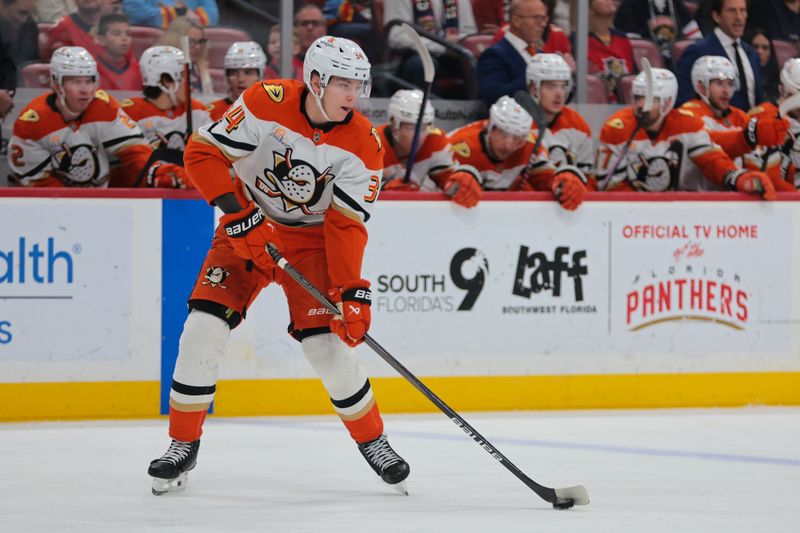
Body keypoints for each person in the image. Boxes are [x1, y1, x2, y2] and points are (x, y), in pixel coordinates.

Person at [147, 36, 410, 495]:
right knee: (201, 329)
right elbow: (201, 153)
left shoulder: (365, 144)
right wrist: (236, 213)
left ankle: (374, 441)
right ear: (315, 80)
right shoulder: (265, 101)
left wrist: (352, 291)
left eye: (359, 85)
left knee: (328, 348)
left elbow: (346, 226)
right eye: (343, 83)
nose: (353, 95)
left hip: (310, 244)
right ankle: (182, 443)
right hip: (244, 229)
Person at [7, 46, 181, 187]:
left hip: (100, 200)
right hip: (51, 211)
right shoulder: (32, 123)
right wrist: (79, 208)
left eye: (89, 81)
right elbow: (37, 182)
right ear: (55, 83)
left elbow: (135, 154)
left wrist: (158, 174)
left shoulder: (103, 106)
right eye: (75, 81)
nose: (85, 90)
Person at [596, 66, 775, 199]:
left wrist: (739, 179)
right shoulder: (616, 127)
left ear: (667, 103)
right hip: (631, 216)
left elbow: (713, 161)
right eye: (638, 98)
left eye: (651, 99)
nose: (642, 105)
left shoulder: (686, 123)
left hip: (674, 211)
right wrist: (645, 207)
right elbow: (607, 185)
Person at [448, 95, 589, 210]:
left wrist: (564, 181)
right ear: (490, 128)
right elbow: (435, 183)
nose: (509, 145)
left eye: (518, 137)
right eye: (503, 134)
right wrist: (451, 181)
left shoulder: (531, 145)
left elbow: (546, 180)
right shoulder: (459, 144)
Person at [379, 89, 482, 208]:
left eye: (423, 128)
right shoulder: (372, 143)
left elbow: (450, 179)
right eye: (411, 127)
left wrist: (464, 176)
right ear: (393, 124)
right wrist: (382, 189)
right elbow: (355, 190)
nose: (418, 136)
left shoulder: (435, 140)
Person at [119, 45, 211, 156]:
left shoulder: (196, 110)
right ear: (166, 80)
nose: (190, 81)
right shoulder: (130, 113)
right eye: (183, 75)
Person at [477, 0, 567, 107]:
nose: (543, 24)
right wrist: (534, 75)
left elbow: (557, 100)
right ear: (516, 21)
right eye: (537, 18)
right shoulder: (494, 55)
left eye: (545, 18)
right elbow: (494, 97)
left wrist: (567, 75)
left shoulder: (540, 55)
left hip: (542, 122)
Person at [676, 0, 761, 110]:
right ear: (716, 16)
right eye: (732, 11)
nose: (739, 17)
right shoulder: (698, 52)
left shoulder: (751, 53)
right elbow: (683, 101)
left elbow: (758, 99)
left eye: (743, 11)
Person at [384, 0, 477, 98]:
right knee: (421, 65)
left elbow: (469, 32)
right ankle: (422, 110)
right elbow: (397, 36)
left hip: (454, 54)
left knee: (477, 63)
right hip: (415, 54)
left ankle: (478, 111)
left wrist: (459, 41)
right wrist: (442, 47)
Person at [526, 54, 595, 184]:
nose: (559, 94)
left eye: (563, 86)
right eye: (551, 86)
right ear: (534, 89)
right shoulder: (519, 123)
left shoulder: (578, 124)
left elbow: (588, 179)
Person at [613, 0, 702, 66]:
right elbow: (634, 49)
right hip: (648, 65)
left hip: (678, 63)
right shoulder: (629, 5)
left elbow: (696, 38)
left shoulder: (675, 3)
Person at [588, 0, 636, 102]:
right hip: (596, 106)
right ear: (589, 9)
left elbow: (634, 74)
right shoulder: (580, 40)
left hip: (626, 105)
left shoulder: (623, 38)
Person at [207, 41, 266, 122]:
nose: (240, 79)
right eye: (234, 72)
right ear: (227, 76)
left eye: (248, 72)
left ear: (261, 75)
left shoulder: (271, 110)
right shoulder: (210, 113)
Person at [157, 16, 212, 95]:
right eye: (191, 41)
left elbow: (209, 98)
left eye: (201, 41)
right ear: (175, 40)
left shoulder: (198, 67)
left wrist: (204, 72)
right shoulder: (161, 66)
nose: (198, 46)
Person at [95, 13, 143, 91]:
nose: (124, 38)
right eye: (116, 34)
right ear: (101, 40)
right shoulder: (92, 69)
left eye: (128, 34)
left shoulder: (139, 70)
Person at [0, 0, 39, 78]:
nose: (24, 20)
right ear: (3, 5)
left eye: (29, 14)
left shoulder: (30, 27)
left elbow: (31, 64)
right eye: (21, 13)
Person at [121, 0, 217, 29]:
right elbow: (135, 11)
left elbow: (212, 15)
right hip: (154, 46)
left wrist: (167, 13)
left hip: (191, 43)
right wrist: (180, 12)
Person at [746, 28, 781, 104]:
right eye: (755, 47)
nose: (759, 51)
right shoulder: (744, 79)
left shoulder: (779, 82)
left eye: (765, 48)